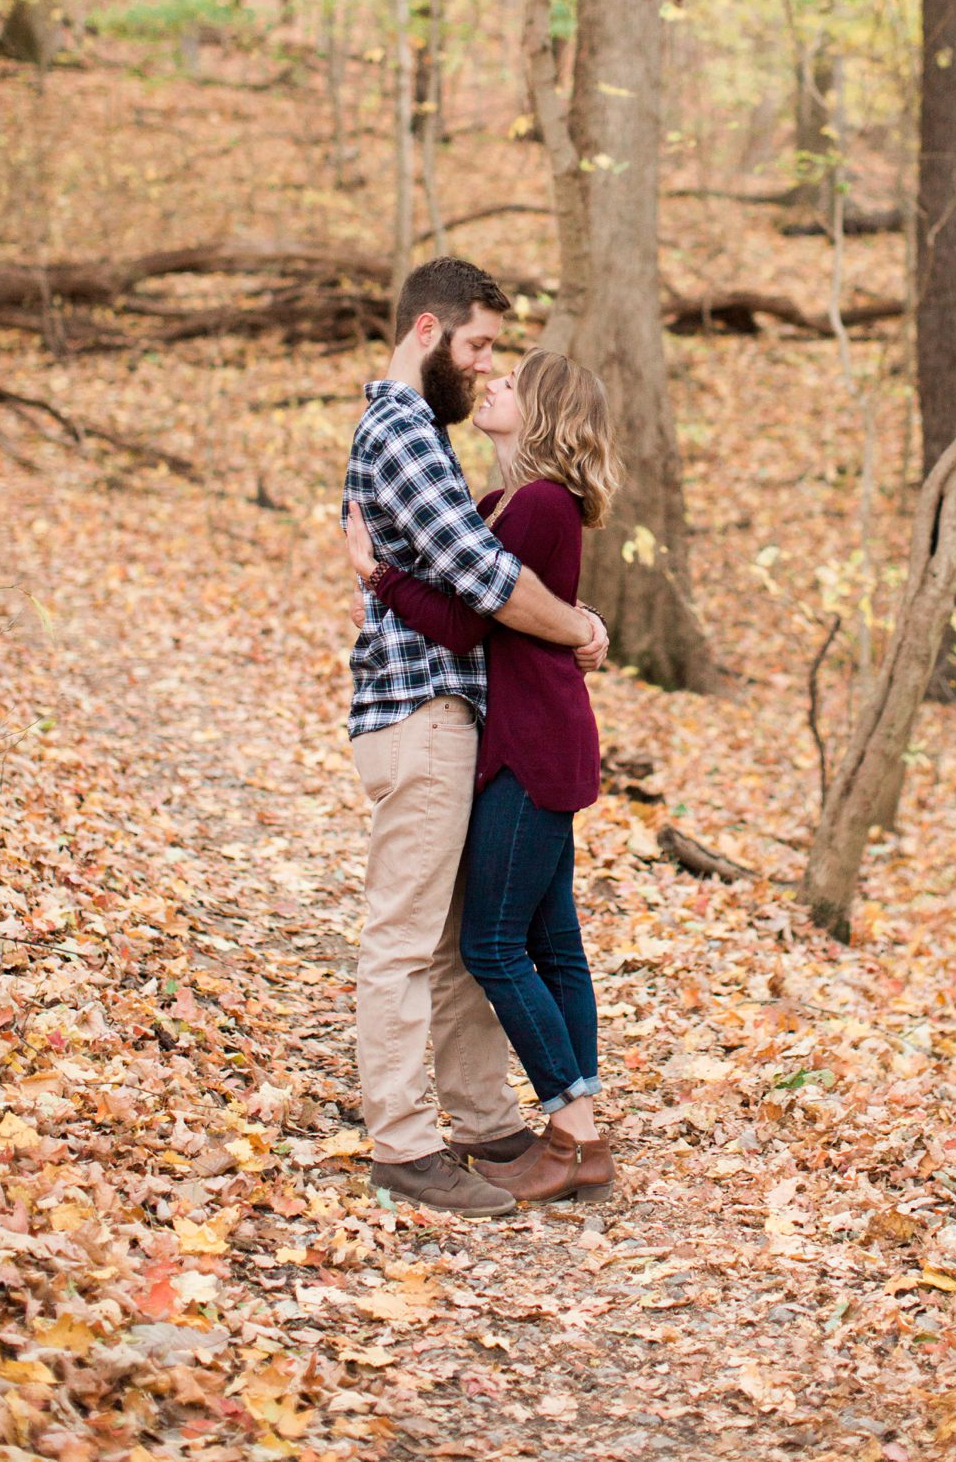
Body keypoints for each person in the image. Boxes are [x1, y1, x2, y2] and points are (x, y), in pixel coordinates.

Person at [341, 257, 608, 1219]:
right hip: (420, 716)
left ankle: (487, 1119)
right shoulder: (407, 431)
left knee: (459, 941)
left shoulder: (431, 441)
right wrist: (579, 627)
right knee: (411, 938)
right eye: (479, 346)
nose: (487, 365)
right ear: (427, 332)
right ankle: (405, 1147)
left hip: (456, 717)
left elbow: (475, 586)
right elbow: (478, 588)